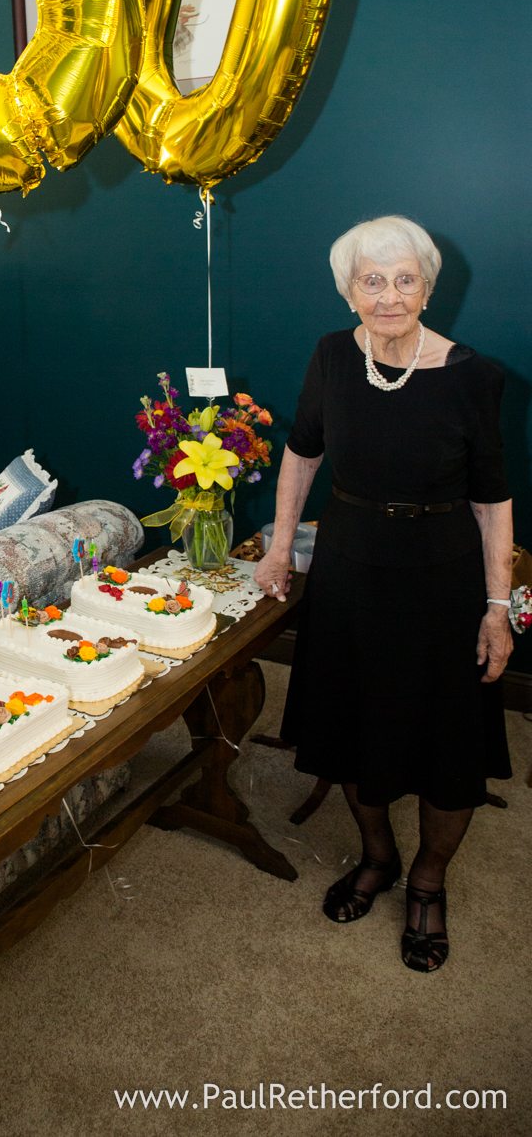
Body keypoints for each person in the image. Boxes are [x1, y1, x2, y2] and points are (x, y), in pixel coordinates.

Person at [255, 215, 513, 973]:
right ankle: (378, 857)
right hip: (349, 568)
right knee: (350, 726)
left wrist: (498, 607)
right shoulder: (333, 357)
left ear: (429, 287)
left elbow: (493, 499)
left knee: (448, 743)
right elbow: (302, 455)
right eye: (373, 280)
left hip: (443, 576)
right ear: (349, 291)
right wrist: (277, 547)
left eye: (405, 279)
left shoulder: (474, 375)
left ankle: (428, 882)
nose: (390, 295)